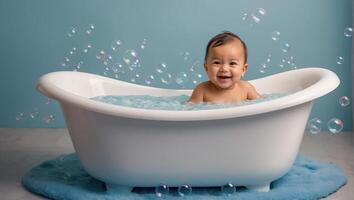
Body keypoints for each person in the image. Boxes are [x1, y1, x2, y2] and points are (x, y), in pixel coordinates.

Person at [188, 31, 261, 103]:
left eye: (232, 63)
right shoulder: (202, 90)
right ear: (206, 67)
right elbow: (189, 110)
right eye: (217, 62)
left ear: (243, 69)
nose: (224, 69)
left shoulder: (246, 89)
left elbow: (262, 104)